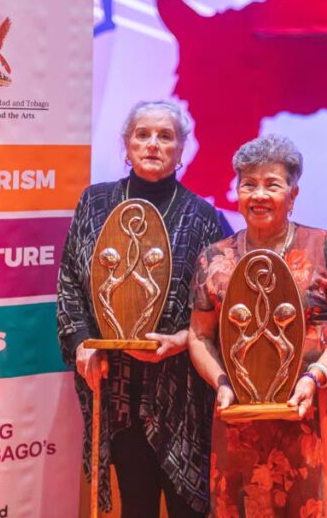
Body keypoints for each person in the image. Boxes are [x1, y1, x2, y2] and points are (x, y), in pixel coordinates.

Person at [57, 100, 230, 517]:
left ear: (182, 149)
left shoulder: (205, 217)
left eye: (165, 136)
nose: (153, 144)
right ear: (126, 145)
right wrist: (83, 343)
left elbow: (226, 305)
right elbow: (69, 281)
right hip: (117, 387)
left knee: (187, 506)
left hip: (182, 389)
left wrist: (182, 340)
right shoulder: (95, 204)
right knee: (135, 504)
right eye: (143, 135)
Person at [187, 134, 327, 517]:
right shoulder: (214, 258)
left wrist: (316, 374)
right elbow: (200, 335)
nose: (259, 195)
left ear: (293, 194)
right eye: (248, 184)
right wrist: (221, 382)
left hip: (316, 408)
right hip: (244, 417)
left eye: (272, 184)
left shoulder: (321, 245)